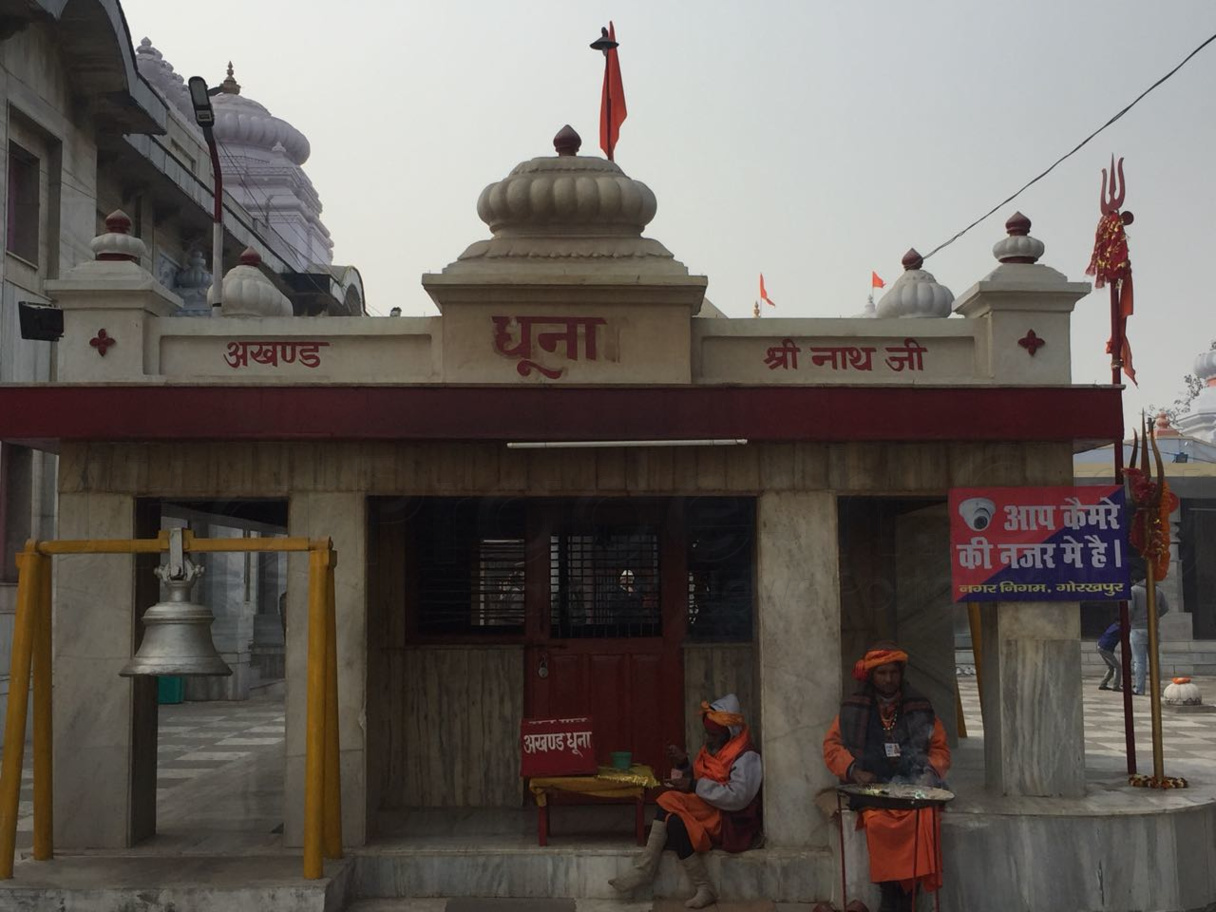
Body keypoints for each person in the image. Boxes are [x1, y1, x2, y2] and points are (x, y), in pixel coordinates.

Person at [823, 644, 950, 912]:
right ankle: (891, 893)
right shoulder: (852, 708)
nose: (889, 679)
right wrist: (854, 770)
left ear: (900, 673)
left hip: (913, 786)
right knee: (878, 822)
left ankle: (908, 895)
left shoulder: (919, 706)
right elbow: (832, 747)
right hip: (872, 788)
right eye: (882, 673)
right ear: (872, 676)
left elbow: (940, 750)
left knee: (923, 819)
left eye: (893, 672)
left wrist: (929, 773)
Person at [609, 693, 763, 908]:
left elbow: (737, 797)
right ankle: (705, 887)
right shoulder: (712, 749)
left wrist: (692, 786)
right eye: (707, 734)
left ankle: (645, 868)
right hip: (706, 810)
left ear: (728, 733)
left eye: (713, 735)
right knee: (673, 822)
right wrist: (683, 765)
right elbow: (702, 779)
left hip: (728, 820)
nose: (709, 739)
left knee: (668, 798)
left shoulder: (746, 757)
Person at [1130, 573, 1170, 696]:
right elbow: (1165, 608)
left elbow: (1130, 609)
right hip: (1153, 629)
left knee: (1139, 661)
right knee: (1155, 660)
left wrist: (1131, 620)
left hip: (1138, 628)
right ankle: (1156, 688)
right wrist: (1155, 617)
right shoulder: (1157, 590)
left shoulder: (1134, 590)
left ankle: (1139, 688)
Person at [1096, 621, 1122, 691]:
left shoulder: (1114, 626)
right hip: (1105, 648)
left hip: (1101, 646)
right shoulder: (1119, 629)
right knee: (1118, 667)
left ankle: (1103, 684)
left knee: (1111, 667)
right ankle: (1116, 686)